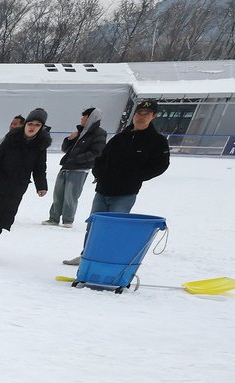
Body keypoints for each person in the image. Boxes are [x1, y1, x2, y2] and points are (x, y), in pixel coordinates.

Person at [63, 99, 170, 265]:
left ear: (153, 116)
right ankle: (87, 256)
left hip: (125, 193)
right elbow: (101, 158)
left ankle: (106, 259)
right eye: (139, 113)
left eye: (146, 114)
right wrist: (99, 174)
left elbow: (161, 165)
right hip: (103, 190)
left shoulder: (157, 141)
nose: (141, 117)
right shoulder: (120, 137)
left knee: (114, 228)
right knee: (94, 226)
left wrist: (137, 176)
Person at [0, 108, 51, 262]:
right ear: (25, 124)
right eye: (30, 123)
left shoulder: (40, 145)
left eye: (37, 125)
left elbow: (40, 167)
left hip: (17, 188)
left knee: (2, 219)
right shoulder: (11, 139)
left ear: (41, 128)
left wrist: (41, 185)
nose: (32, 127)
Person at [43, 107, 106, 228]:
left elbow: (97, 152)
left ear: (91, 117)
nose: (82, 119)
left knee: (70, 195)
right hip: (66, 167)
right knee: (58, 194)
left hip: (79, 169)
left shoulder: (99, 133)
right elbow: (65, 149)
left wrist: (78, 159)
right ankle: (54, 218)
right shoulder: (80, 132)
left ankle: (68, 220)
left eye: (84, 116)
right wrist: (68, 140)